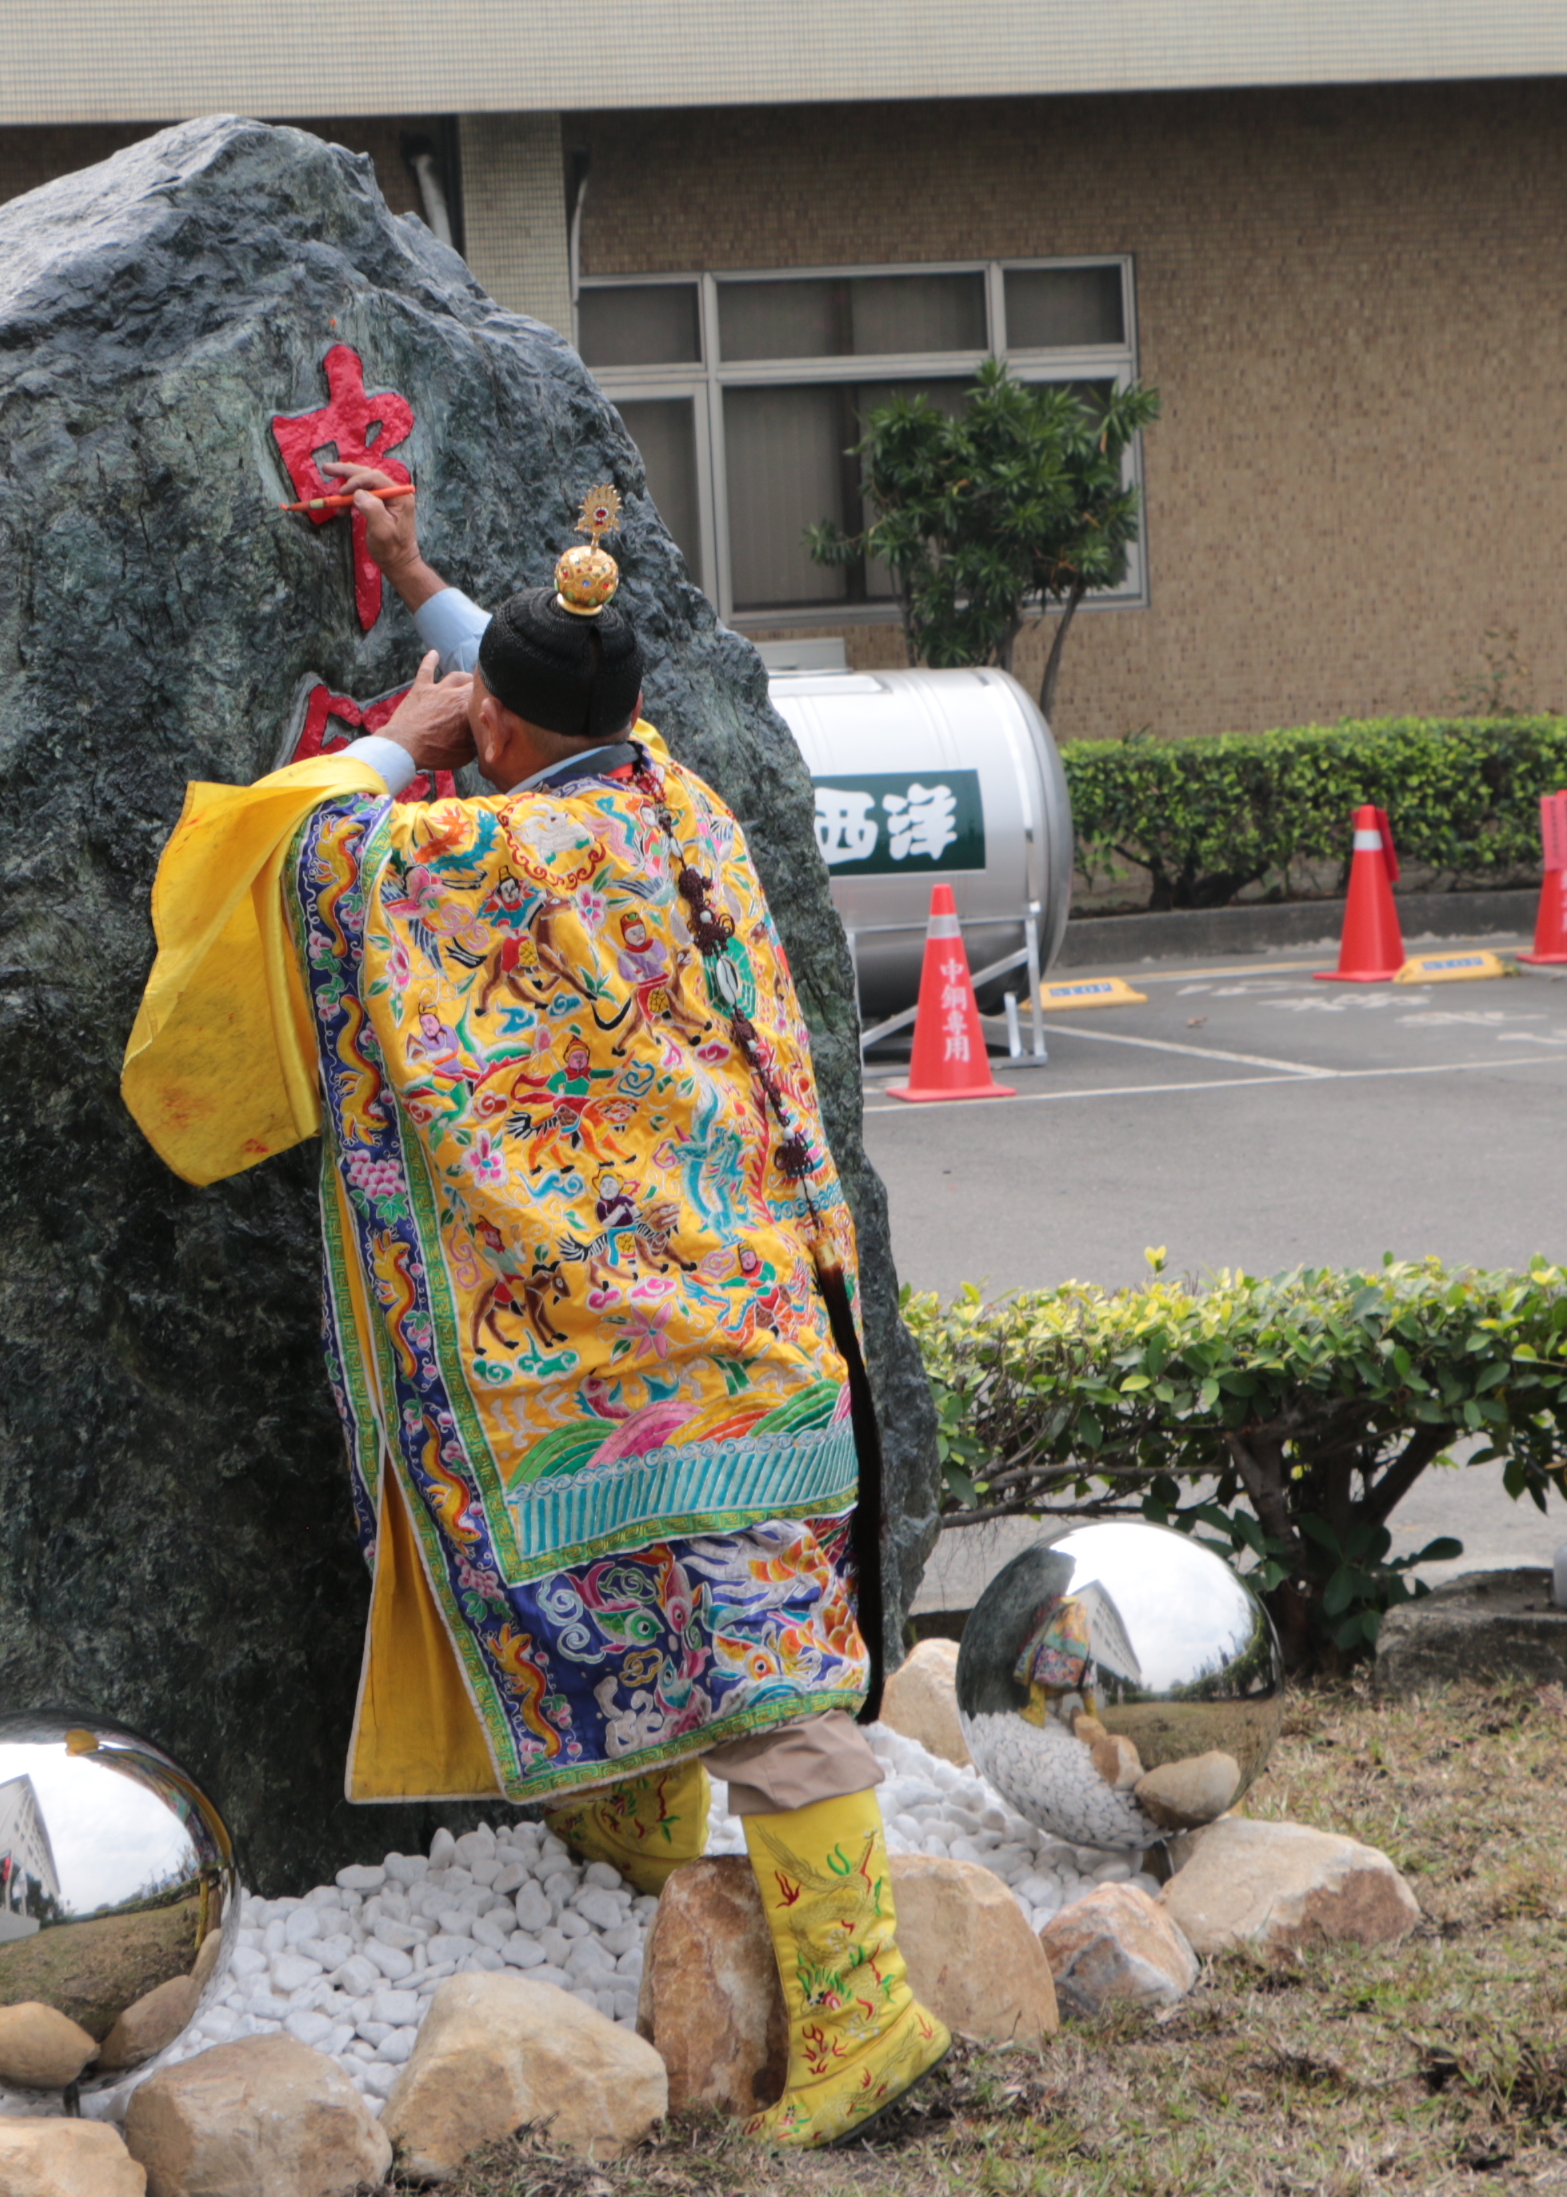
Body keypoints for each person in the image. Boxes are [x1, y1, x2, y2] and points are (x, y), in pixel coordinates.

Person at [119, 469, 949, 2148]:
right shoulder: (669, 801)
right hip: (750, 1326)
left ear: (490, 728)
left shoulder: (469, 858)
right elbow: (550, 686)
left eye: (474, 709)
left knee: (765, 1682)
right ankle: (648, 1840)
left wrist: (391, 738)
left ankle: (867, 2024)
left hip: (647, 1363)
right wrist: (430, 593)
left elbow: (290, 852)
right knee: (688, 1610)